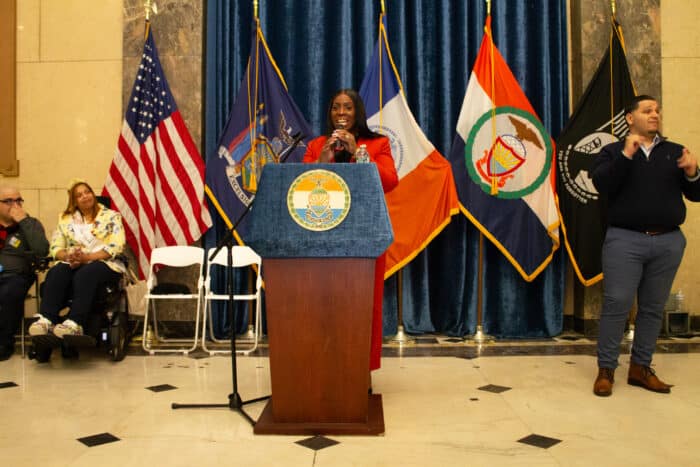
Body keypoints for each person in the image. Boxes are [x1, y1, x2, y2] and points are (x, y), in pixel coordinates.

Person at [591, 95, 700, 396]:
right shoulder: (612, 151)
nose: (655, 114)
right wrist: (626, 155)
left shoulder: (676, 152)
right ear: (630, 118)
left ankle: (640, 367)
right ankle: (606, 370)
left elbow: (696, 194)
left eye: (657, 111)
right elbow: (602, 185)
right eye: (647, 110)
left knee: (652, 308)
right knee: (617, 304)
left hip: (668, 241)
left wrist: (692, 171)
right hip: (625, 240)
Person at [303, 89, 399, 372]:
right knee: (325, 301)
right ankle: (324, 365)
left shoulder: (378, 143)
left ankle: (361, 371)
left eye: (347, 108)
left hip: (365, 233)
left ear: (357, 111)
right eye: (335, 108)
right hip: (322, 232)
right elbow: (304, 185)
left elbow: (390, 181)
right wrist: (324, 156)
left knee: (364, 303)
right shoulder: (317, 144)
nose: (341, 113)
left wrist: (358, 151)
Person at [28, 179, 126, 339]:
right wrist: (67, 256)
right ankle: (46, 320)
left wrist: (87, 257)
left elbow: (116, 246)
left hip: (105, 263)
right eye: (79, 195)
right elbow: (55, 248)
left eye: (87, 192)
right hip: (74, 262)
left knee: (87, 272)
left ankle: (75, 323)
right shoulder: (66, 220)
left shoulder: (111, 217)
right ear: (74, 201)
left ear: (93, 195)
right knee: (57, 271)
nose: (85, 196)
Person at [0, 186, 49, 360]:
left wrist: (24, 222)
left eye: (18, 200)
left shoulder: (31, 224)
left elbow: (42, 250)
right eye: (8, 201)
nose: (15, 205)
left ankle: (4, 342)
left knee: (9, 292)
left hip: (16, 276)